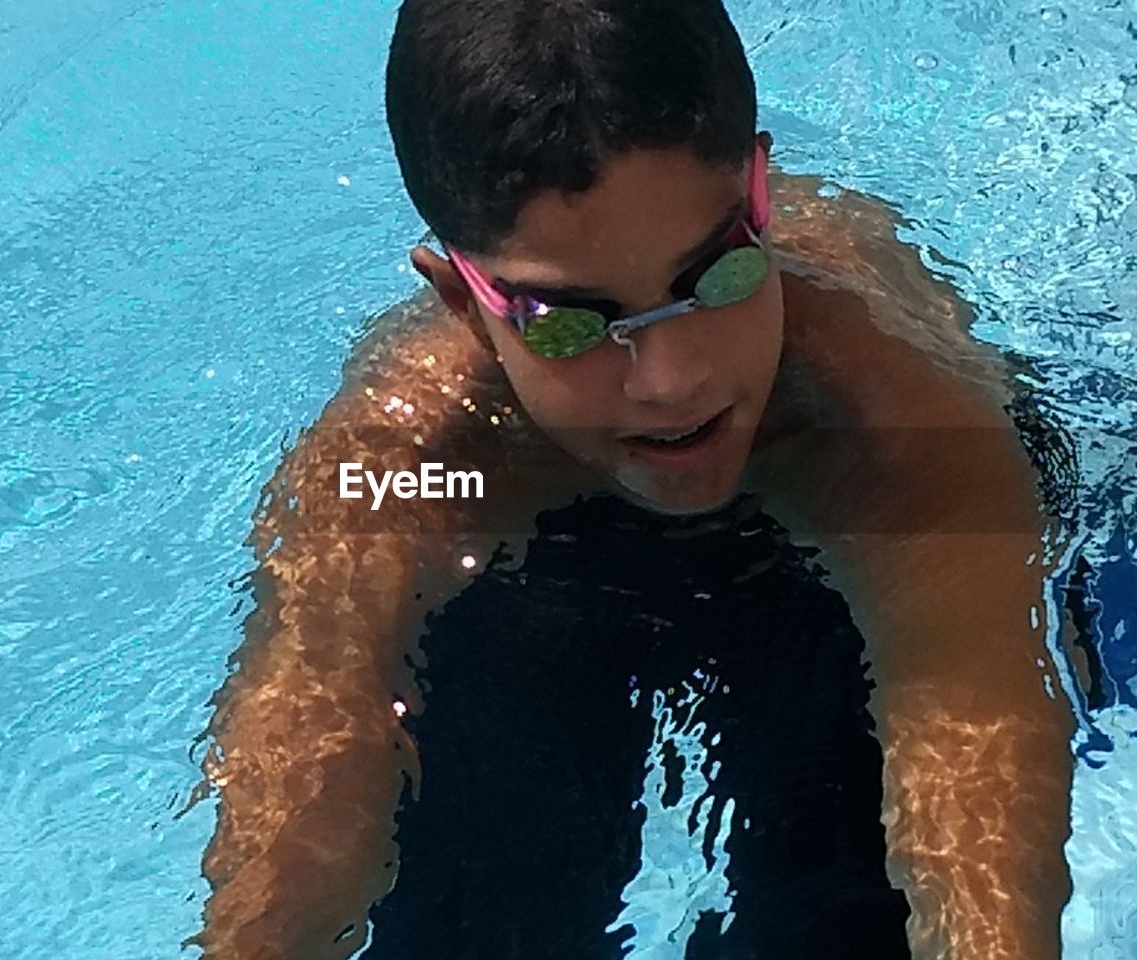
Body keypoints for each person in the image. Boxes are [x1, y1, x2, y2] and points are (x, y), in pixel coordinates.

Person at [188, 1, 1085, 957]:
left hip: (820, 559)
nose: (671, 380)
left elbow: (978, 756)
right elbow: (305, 743)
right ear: (460, 299)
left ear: (759, 198)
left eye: (718, 277)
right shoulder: (410, 464)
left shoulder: (887, 416)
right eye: (571, 322)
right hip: (539, 571)